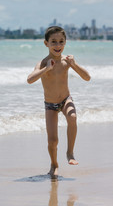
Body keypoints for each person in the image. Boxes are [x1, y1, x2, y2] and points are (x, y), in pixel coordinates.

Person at [27, 26, 91, 177]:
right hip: (50, 105)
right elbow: (30, 79)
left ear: (65, 43)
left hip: (65, 99)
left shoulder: (66, 61)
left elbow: (87, 77)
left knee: (73, 117)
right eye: (53, 42)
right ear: (46, 43)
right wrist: (46, 69)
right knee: (52, 141)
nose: (57, 45)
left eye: (61, 41)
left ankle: (70, 152)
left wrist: (74, 64)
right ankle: (54, 164)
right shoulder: (43, 63)